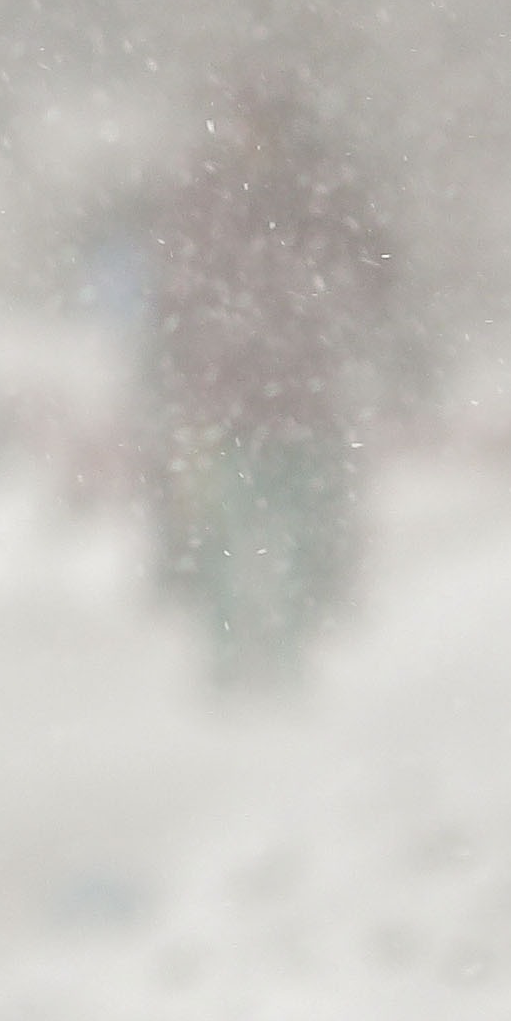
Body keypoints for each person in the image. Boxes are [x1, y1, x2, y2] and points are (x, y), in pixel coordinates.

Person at [149, 86, 391, 688]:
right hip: (234, 407)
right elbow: (176, 290)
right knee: (225, 540)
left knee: (300, 537)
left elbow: (372, 273)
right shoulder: (222, 200)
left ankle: (287, 658)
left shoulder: (314, 199)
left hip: (297, 404)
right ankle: (232, 663)